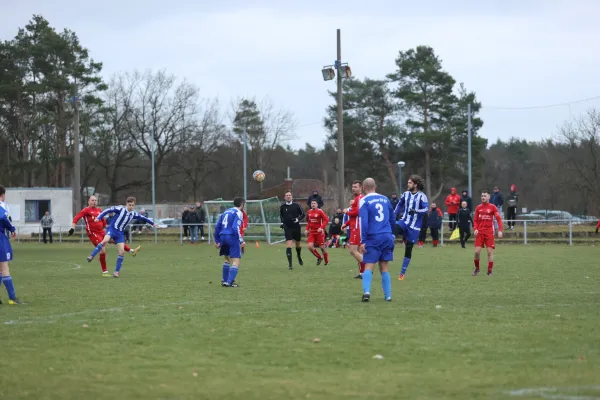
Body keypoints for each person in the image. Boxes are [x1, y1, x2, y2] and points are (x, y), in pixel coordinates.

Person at [70, 195, 140, 276]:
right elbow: (76, 218)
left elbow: (102, 220)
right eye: (92, 200)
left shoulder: (99, 210)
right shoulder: (86, 210)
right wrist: (72, 228)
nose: (94, 202)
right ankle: (104, 271)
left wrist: (107, 226)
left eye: (95, 200)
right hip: (93, 233)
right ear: (88, 201)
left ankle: (131, 251)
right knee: (103, 249)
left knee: (115, 241)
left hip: (101, 232)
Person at [87, 197, 157, 278]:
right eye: (129, 205)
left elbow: (143, 218)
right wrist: (99, 217)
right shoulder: (120, 209)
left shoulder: (133, 213)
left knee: (122, 252)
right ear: (126, 204)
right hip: (112, 229)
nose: (131, 206)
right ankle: (91, 256)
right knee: (105, 241)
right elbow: (107, 210)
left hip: (120, 233)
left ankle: (116, 272)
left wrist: (153, 223)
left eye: (132, 205)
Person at [358, 178, 395, 302]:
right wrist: (392, 233)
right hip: (387, 235)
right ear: (375, 186)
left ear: (363, 188)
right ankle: (388, 296)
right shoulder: (385, 199)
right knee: (384, 266)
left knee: (369, 265)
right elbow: (392, 219)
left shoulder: (364, 200)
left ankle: (367, 292)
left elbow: (363, 221)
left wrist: (363, 240)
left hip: (374, 237)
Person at [394, 175, 429, 280]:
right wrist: (393, 215)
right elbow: (399, 205)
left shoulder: (422, 196)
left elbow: (426, 210)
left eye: (409, 183)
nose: (407, 184)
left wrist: (416, 211)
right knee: (392, 231)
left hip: (415, 227)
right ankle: (384, 253)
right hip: (404, 221)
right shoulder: (405, 194)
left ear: (415, 184)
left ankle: (402, 273)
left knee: (409, 248)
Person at [214, 197, 246, 287]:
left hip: (223, 236)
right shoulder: (238, 212)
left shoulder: (226, 212)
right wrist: (241, 241)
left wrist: (217, 240)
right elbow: (235, 228)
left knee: (227, 259)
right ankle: (229, 282)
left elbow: (217, 227)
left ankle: (225, 280)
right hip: (231, 237)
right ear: (242, 204)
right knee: (236, 261)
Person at [0, 185, 23, 305]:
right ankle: (12, 298)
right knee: (5, 268)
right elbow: (4, 217)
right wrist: (12, 228)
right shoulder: (1, 206)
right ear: (2, 195)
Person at [473, 190, 503, 276]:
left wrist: (500, 230)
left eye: (485, 196)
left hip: (489, 233)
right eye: (482, 196)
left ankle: (489, 271)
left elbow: (498, 219)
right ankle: (477, 269)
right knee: (477, 252)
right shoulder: (478, 207)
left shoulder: (493, 207)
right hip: (480, 233)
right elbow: (475, 220)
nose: (483, 197)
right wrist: (475, 229)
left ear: (489, 197)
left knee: (489, 252)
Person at [343, 180, 365, 278]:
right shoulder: (356, 198)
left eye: (355, 187)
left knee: (352, 250)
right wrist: (346, 224)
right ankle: (363, 273)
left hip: (357, 228)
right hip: (354, 226)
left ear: (361, 188)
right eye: (352, 186)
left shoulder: (360, 198)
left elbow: (356, 213)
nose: (353, 188)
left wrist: (346, 212)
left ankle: (368, 269)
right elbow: (354, 216)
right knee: (359, 251)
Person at [279, 191, 305, 270]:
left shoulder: (296, 205)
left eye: (289, 195)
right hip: (287, 227)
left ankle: (299, 256)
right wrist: (283, 223)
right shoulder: (282, 207)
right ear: (284, 197)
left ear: (292, 197)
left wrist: (297, 219)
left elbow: (303, 214)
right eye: (287, 195)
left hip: (296, 227)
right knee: (289, 244)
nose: (288, 196)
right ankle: (290, 264)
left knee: (297, 244)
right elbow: (281, 216)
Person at [305, 199, 329, 265]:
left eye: (314, 203)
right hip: (312, 232)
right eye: (312, 203)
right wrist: (307, 229)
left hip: (319, 233)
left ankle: (326, 261)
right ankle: (319, 257)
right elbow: (309, 222)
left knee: (322, 247)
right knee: (310, 246)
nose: (313, 204)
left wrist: (321, 228)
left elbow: (326, 220)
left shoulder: (320, 211)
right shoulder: (309, 212)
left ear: (317, 205)